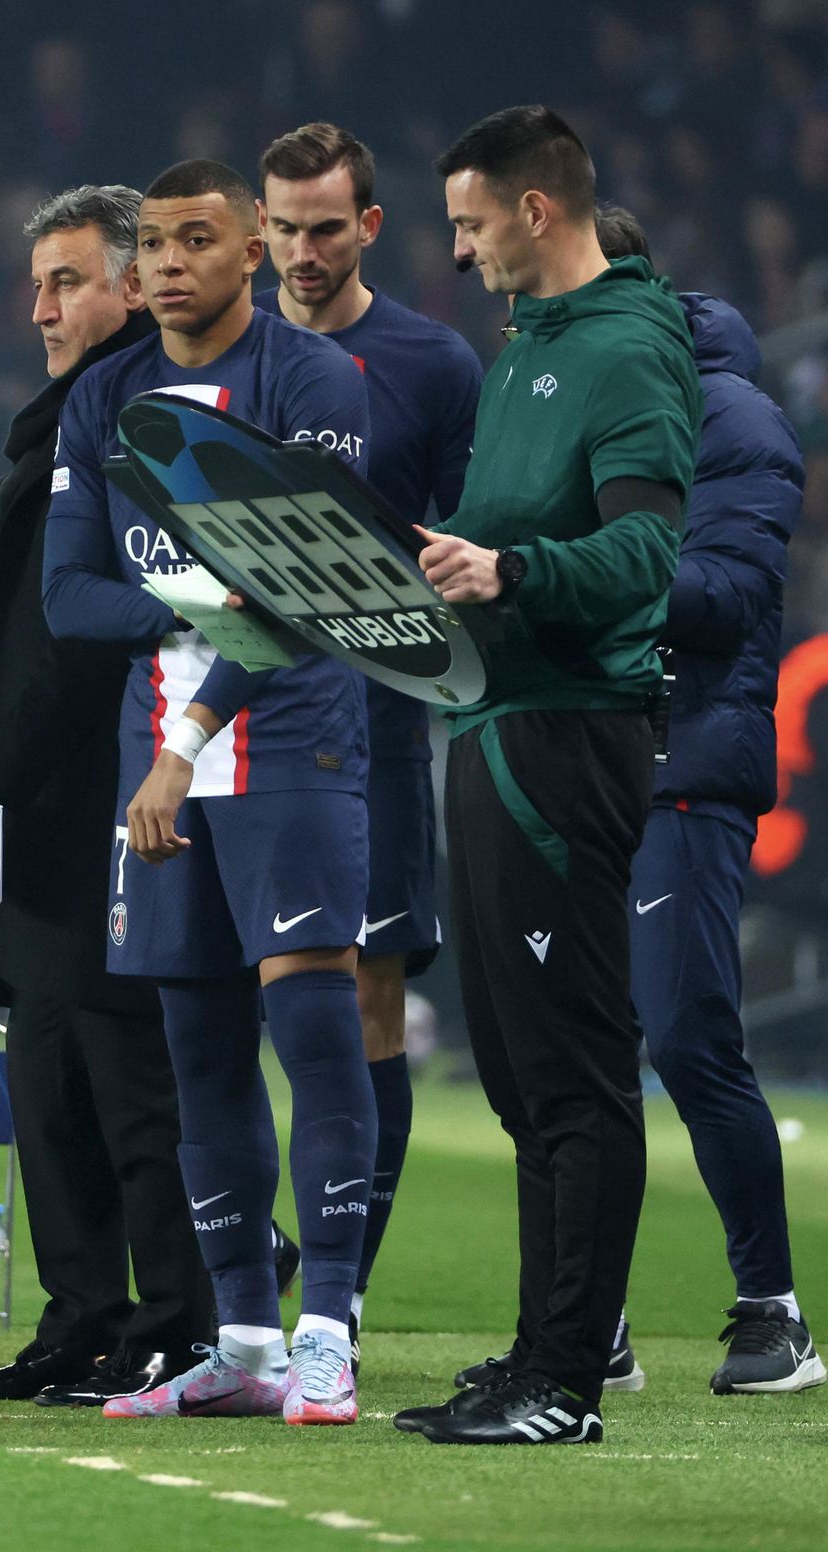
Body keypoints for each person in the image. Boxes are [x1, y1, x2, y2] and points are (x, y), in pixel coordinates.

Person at [42, 158, 376, 1425]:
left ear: (250, 254)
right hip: (161, 759)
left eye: (198, 240)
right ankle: (242, 1341)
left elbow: (302, 599)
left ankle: (329, 1328)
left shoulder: (312, 383)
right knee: (199, 1055)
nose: (172, 263)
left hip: (289, 743)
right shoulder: (104, 396)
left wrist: (189, 733)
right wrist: (191, 604)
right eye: (156, 246)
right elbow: (74, 595)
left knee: (312, 1030)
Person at [391, 106, 702, 1447]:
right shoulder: (530, 350)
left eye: (467, 223)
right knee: (518, 1073)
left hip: (570, 731)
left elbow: (646, 555)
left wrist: (509, 571)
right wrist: (451, 557)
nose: (458, 253)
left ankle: (569, 1381)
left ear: (534, 209)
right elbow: (516, 533)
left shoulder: (631, 349)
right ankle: (534, 1355)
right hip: (494, 714)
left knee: (573, 1066)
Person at [0, 185, 217, 1408]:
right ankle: (84, 1316)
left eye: (68, 280)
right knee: (47, 1071)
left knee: (125, 1071)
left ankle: (177, 1317)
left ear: (130, 286)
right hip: (42, 797)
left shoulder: (143, 414)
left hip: (108, 784)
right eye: (37, 281)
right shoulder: (65, 415)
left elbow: (81, 635)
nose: (41, 305)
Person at [255, 121, 483, 1369]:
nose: (301, 251)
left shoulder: (434, 365)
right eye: (281, 228)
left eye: (325, 227)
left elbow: (470, 534)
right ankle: (264, 1269)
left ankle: (333, 1301)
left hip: (376, 726)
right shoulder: (227, 354)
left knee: (370, 998)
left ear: (372, 227)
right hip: (233, 723)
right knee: (222, 990)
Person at [597, 207, 820, 1395]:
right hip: (578, 751)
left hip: (686, 755)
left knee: (686, 1031)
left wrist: (561, 570)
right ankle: (588, 1320)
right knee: (579, 1053)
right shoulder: (573, 393)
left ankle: (773, 1314)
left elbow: (725, 597)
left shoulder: (735, 415)